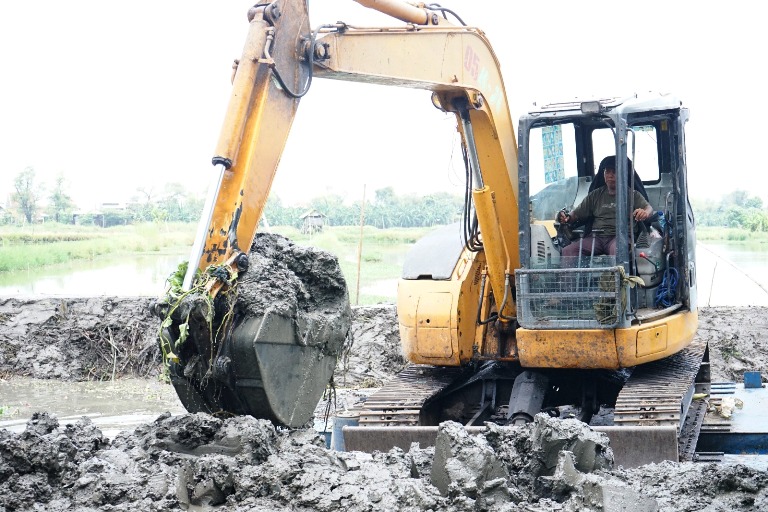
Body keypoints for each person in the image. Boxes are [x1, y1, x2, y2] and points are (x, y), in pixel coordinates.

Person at [556, 155, 653, 260]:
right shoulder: (595, 195)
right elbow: (576, 214)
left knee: (617, 250)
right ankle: (575, 277)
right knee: (568, 251)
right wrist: (566, 218)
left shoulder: (633, 195)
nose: (610, 176)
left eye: (614, 172)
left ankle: (614, 277)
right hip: (596, 238)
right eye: (607, 172)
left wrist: (645, 213)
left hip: (620, 238)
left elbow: (649, 208)